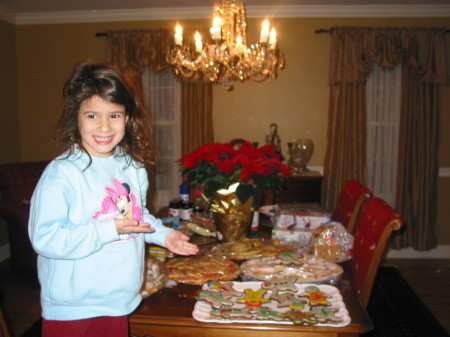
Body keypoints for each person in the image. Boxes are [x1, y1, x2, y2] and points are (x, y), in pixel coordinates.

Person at [28, 61, 199, 337]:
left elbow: (136, 217)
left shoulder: (132, 167)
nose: (105, 127)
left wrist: (164, 235)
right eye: (93, 116)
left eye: (115, 115)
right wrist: (110, 229)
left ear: (128, 118)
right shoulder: (62, 173)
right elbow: (45, 239)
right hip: (72, 304)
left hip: (118, 299)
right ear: (76, 116)